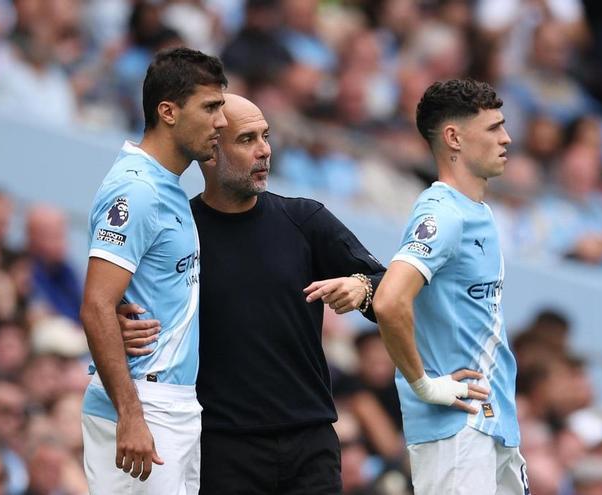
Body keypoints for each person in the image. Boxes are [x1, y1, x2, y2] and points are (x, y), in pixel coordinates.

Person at [119, 93, 385, 494]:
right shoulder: (177, 230)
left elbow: (390, 293)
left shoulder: (306, 220)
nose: (264, 151)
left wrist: (362, 286)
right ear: (211, 151)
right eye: (247, 140)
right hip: (220, 448)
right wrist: (123, 320)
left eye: (266, 136)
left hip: (310, 443)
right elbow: (118, 305)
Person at [78, 47, 227, 493]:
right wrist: (131, 415)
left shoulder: (168, 186)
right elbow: (96, 304)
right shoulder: (137, 190)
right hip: (143, 401)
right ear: (168, 112)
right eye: (210, 107)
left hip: (174, 403)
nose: (221, 121)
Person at [372, 79, 526, 494]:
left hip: (492, 421)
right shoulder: (442, 214)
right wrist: (424, 383)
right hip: (456, 428)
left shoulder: (477, 212)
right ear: (454, 137)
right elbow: (389, 300)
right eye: (493, 128)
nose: (506, 138)